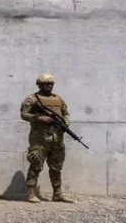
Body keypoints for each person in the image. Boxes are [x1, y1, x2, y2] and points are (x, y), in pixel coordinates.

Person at [19, 73, 74, 203]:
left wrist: (65, 123)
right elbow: (24, 114)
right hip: (40, 139)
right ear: (40, 84)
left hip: (57, 138)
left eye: (51, 84)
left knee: (56, 166)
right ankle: (31, 194)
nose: (49, 86)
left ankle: (57, 194)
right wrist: (39, 118)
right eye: (46, 84)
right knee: (36, 164)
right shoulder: (32, 99)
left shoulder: (59, 99)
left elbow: (66, 114)